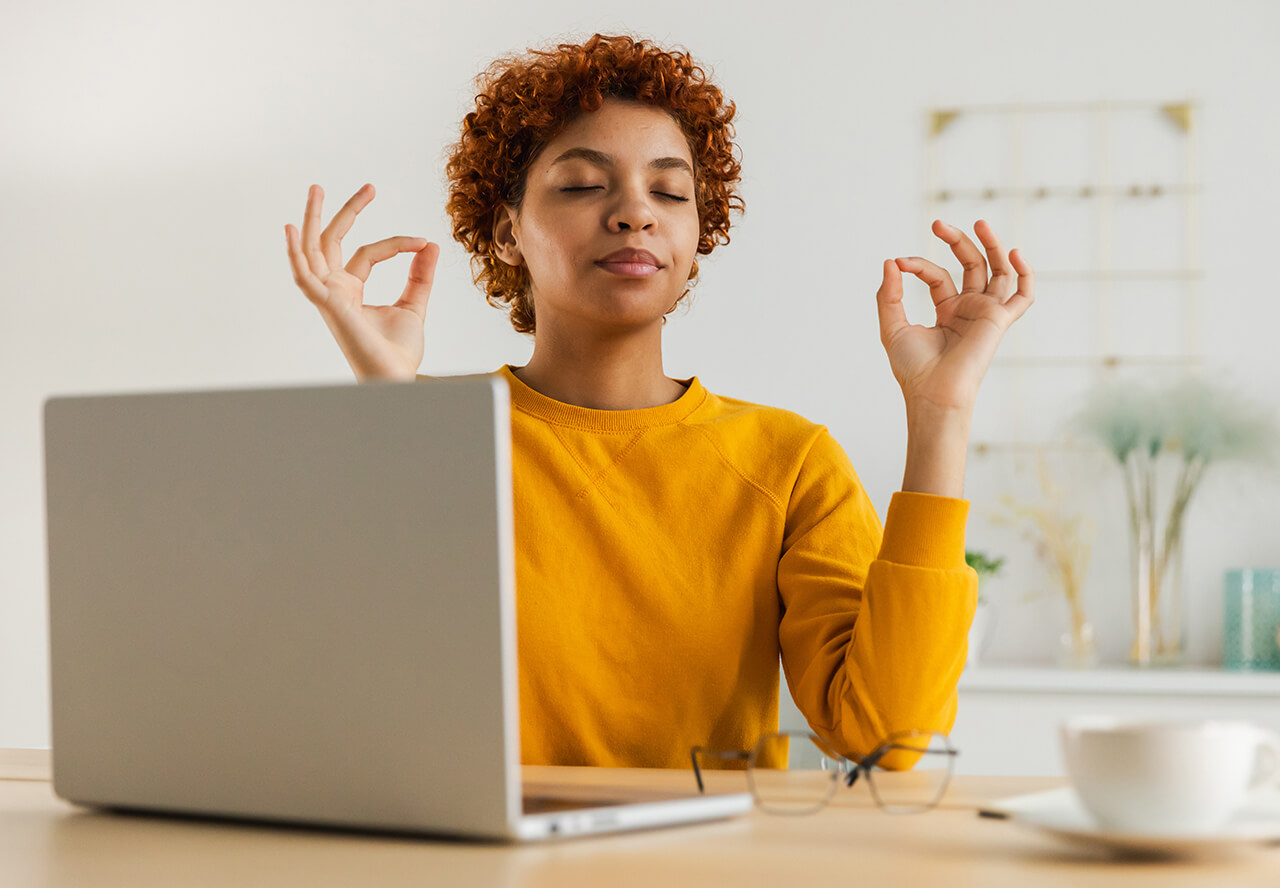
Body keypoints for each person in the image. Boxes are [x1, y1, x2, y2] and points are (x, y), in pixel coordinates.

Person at [284, 33, 1034, 769]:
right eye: (582, 184)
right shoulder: (428, 436)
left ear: (698, 234)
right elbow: (340, 690)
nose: (634, 213)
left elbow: (884, 736)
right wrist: (388, 410)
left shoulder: (787, 461)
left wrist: (942, 414)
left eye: (670, 191)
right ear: (507, 233)